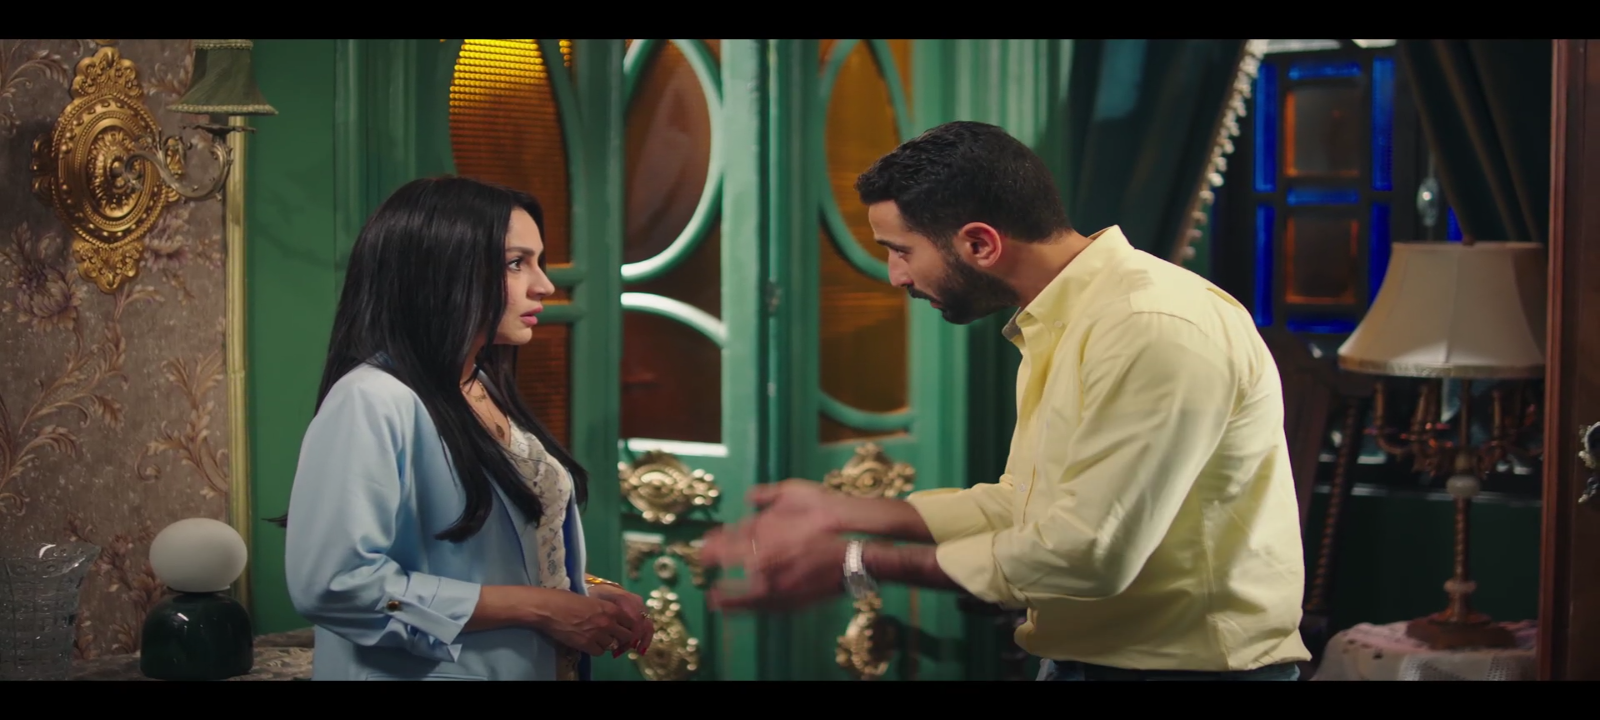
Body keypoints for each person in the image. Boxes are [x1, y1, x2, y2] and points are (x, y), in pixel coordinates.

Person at [700, 121, 1311, 681]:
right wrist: (846, 513)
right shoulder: (1070, 315)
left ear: (980, 244)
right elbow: (1027, 506)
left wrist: (855, 561)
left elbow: (1089, 554)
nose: (895, 276)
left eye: (901, 249)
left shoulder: (1151, 325)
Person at [272, 176, 653, 681]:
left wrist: (587, 592)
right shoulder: (372, 399)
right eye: (516, 263)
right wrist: (539, 608)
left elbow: (481, 559)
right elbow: (335, 584)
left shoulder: (480, 384)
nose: (543, 285)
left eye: (538, 261)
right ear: (441, 269)